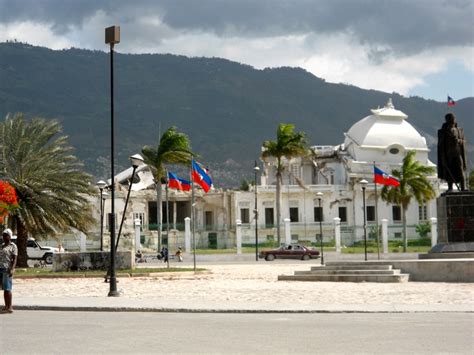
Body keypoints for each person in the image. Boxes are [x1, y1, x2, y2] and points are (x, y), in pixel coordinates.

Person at [437, 113, 467, 191]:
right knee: (449, 172)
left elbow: (463, 141)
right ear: (447, 120)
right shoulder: (443, 132)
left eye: (453, 118)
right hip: (448, 155)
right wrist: (443, 157)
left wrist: (459, 141)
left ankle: (463, 188)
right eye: (451, 118)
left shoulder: (459, 130)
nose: (453, 119)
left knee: (460, 170)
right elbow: (440, 146)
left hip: (457, 154)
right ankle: (450, 188)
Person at [0, 228, 17, 314]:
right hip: (0, 268)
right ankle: (6, 306)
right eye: (3, 235)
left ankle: (9, 307)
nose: (4, 236)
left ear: (10, 236)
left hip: (7, 270)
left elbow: (14, 259)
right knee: (3, 289)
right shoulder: (1, 245)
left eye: (6, 235)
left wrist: (12, 269)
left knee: (7, 288)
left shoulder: (13, 246)